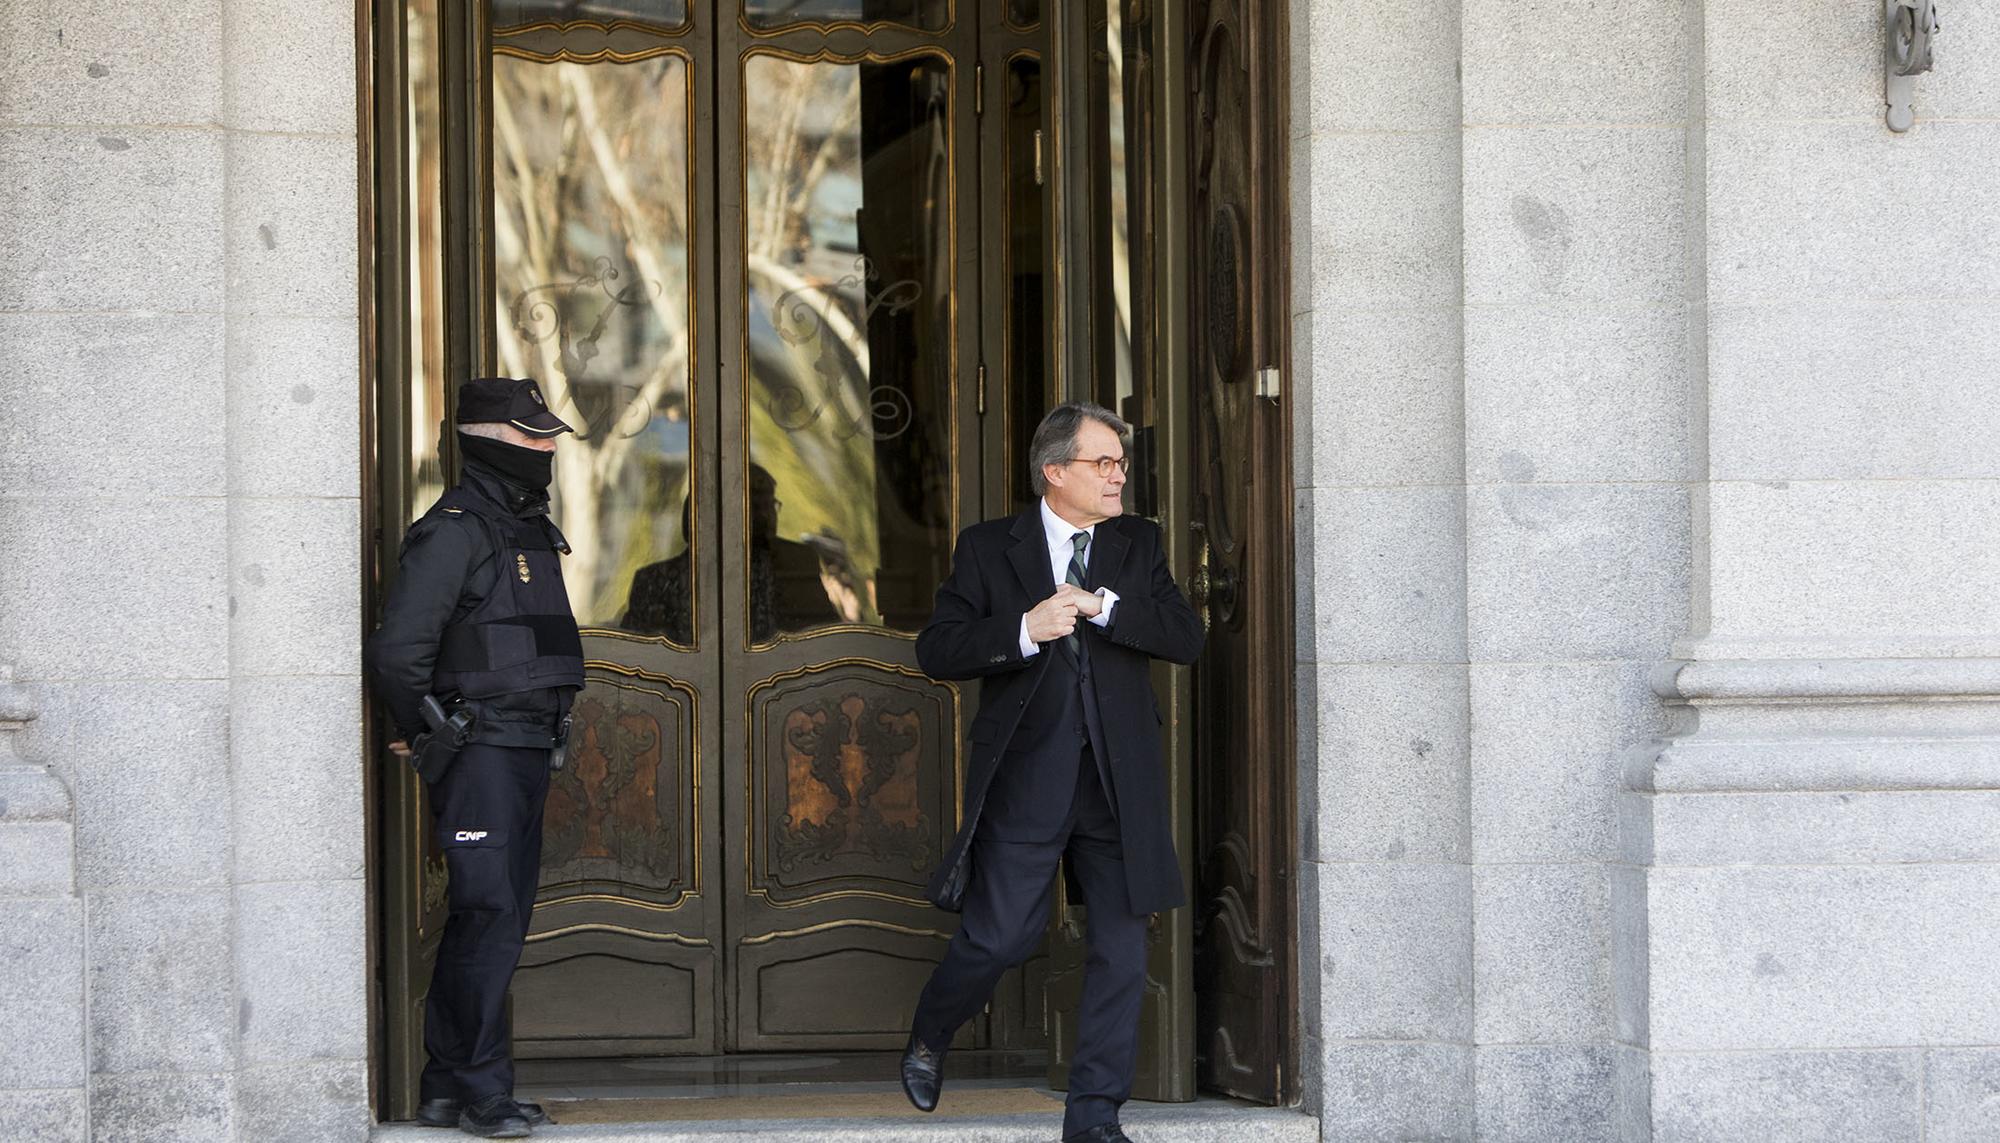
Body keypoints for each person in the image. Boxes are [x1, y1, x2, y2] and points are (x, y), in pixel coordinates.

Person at [902, 402, 1204, 1143]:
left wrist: (1103, 608)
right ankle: (930, 1033)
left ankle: (1094, 1119)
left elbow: (1185, 637)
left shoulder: (1137, 543)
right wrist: (1023, 631)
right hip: (1028, 776)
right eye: (1103, 462)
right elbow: (936, 649)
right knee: (1000, 938)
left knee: (1123, 951)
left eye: (1121, 464)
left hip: (1116, 781)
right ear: (1055, 471)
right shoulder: (988, 548)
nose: (1118, 476)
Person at [365, 377, 583, 1139]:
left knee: (496, 918)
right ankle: (483, 1092)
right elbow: (397, 651)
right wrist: (422, 726)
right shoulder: (454, 529)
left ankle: (446, 1088)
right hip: (481, 747)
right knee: (488, 915)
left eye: (547, 435)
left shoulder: (521, 525)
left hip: (522, 747)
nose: (548, 447)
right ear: (487, 437)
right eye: (532, 437)